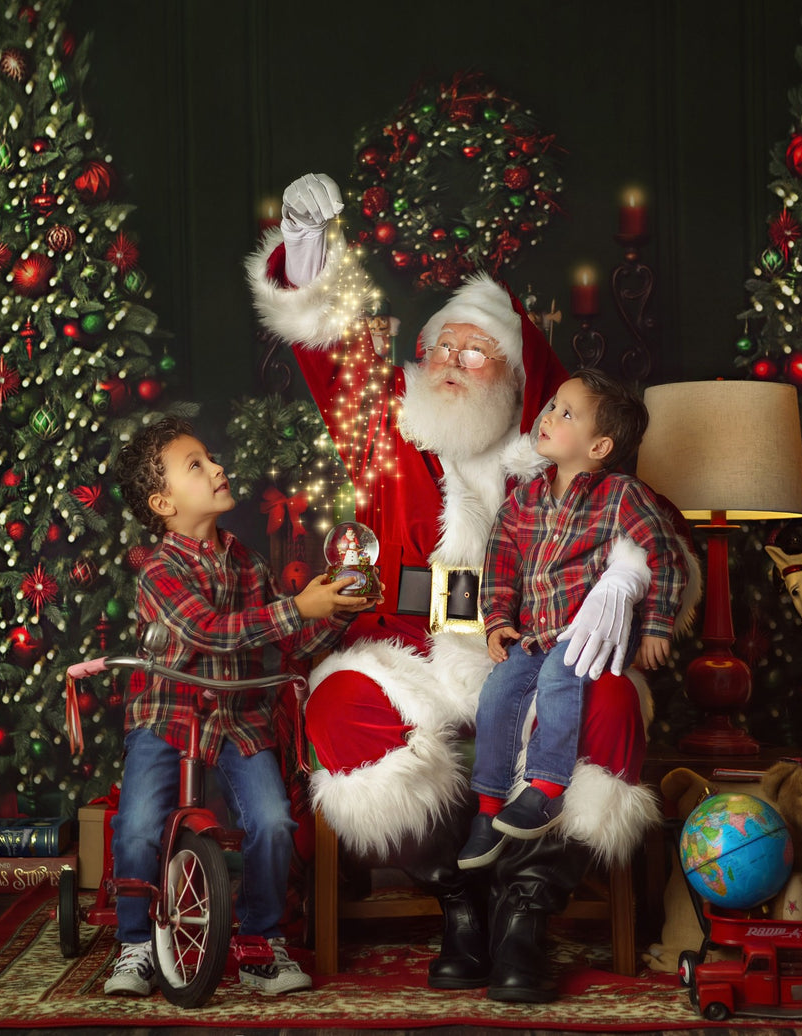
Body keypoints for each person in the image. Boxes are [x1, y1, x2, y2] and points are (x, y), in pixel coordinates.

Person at [246, 173, 698, 1002]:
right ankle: (458, 895)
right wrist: (307, 248)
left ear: (518, 374)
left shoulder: (556, 453)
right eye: (438, 347)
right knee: (337, 707)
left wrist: (625, 581)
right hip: (412, 654)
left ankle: (526, 906)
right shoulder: (391, 424)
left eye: (473, 349)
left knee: (607, 703)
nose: (449, 361)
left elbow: (651, 524)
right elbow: (325, 348)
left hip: (535, 649)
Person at [106, 416, 374, 997]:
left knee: (274, 822)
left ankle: (261, 941)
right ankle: (133, 944)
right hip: (168, 717)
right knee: (137, 826)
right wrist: (297, 608)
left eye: (211, 457)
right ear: (163, 502)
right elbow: (210, 631)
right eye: (196, 465)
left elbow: (288, 642)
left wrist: (335, 612)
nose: (217, 468)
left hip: (239, 719)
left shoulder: (247, 561)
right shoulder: (158, 570)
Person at [461, 370, 687, 869]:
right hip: (537, 633)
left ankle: (546, 785)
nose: (548, 416)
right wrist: (497, 621)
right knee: (498, 689)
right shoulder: (524, 500)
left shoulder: (621, 496)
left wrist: (655, 627)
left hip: (591, 635)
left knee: (561, 675)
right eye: (552, 406)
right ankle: (489, 806)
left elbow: (665, 555)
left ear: (600, 445)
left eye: (567, 413)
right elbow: (501, 562)